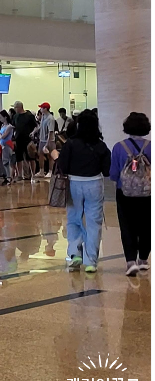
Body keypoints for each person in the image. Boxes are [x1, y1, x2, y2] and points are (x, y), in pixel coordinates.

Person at [56, 109, 111, 273]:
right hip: (94, 183)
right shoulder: (101, 146)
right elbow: (107, 170)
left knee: (73, 219)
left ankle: (74, 254)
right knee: (93, 222)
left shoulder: (71, 144)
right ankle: (91, 261)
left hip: (73, 184)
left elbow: (63, 166)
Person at [109, 112, 151, 276]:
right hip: (148, 193)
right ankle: (143, 259)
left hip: (124, 193)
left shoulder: (119, 147)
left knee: (127, 226)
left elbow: (113, 174)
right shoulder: (151, 146)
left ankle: (130, 261)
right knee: (147, 225)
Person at [11, 101, 36, 181]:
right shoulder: (15, 116)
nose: (14, 109)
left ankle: (33, 174)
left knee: (30, 158)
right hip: (18, 139)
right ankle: (20, 175)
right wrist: (13, 139)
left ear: (19, 107)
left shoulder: (29, 116)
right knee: (19, 158)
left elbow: (36, 126)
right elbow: (13, 127)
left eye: (15, 107)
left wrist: (32, 133)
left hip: (28, 139)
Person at [33, 102, 56, 181]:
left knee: (50, 156)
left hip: (49, 140)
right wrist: (33, 132)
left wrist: (47, 143)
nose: (40, 109)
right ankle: (41, 170)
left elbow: (51, 131)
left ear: (45, 109)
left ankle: (50, 171)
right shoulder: (43, 116)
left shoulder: (50, 118)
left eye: (42, 108)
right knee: (40, 155)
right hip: (42, 139)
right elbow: (40, 126)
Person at [0, 110, 15, 184]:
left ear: (5, 117)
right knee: (0, 161)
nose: (0, 119)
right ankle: (5, 175)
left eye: (1, 117)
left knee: (6, 161)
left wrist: (1, 136)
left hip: (7, 144)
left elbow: (3, 136)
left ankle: (9, 177)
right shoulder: (2, 126)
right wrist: (1, 136)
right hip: (2, 145)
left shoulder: (9, 126)